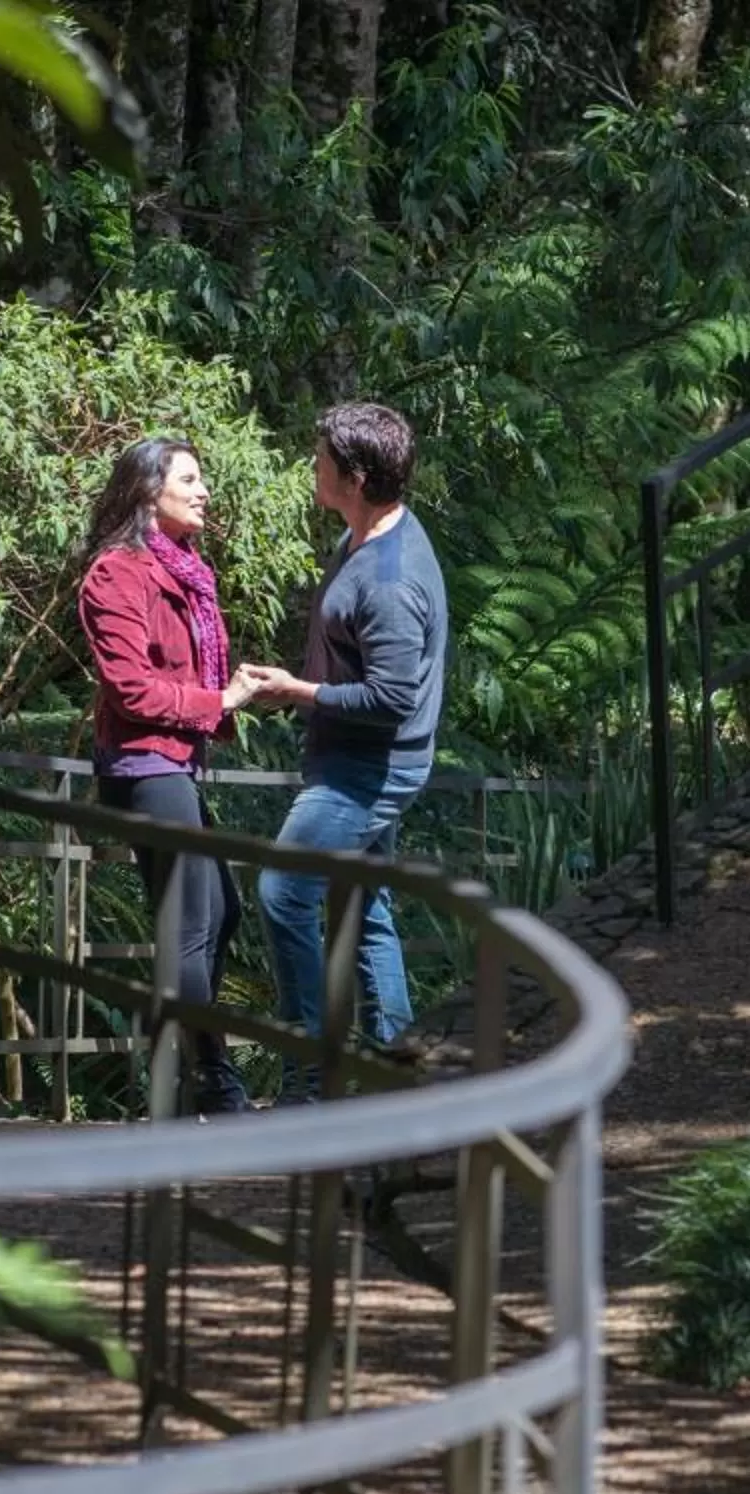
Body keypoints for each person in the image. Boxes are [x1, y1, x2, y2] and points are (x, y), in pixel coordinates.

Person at [236, 402, 448, 1105]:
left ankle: (308, 1072)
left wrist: (300, 692)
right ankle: (401, 1072)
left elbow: (392, 697)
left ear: (353, 477)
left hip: (368, 771)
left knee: (283, 889)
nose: (312, 464)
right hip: (353, 760)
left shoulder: (389, 581)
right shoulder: (361, 536)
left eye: (322, 455)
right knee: (363, 906)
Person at [78, 436, 267, 1117]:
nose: (204, 490)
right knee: (190, 926)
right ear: (147, 490)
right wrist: (218, 702)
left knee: (220, 915)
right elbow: (130, 689)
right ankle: (213, 1080)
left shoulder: (185, 570)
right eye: (189, 478)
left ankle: (180, 1077)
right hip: (142, 765)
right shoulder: (116, 573)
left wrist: (233, 692)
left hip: (176, 762)